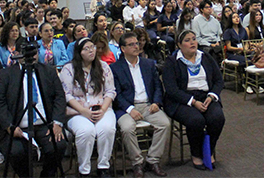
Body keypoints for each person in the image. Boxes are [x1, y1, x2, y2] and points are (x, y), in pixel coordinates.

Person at [0, 41, 67, 178]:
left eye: (35, 52)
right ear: (15, 54)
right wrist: (9, 126)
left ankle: (47, 175)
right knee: (16, 151)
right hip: (17, 126)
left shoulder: (48, 71)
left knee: (58, 145)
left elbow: (60, 97)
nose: (32, 56)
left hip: (45, 123)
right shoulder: (5, 75)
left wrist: (57, 122)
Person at [162, 30, 224, 170]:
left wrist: (212, 95)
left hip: (206, 96)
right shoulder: (172, 62)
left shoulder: (206, 57)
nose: (192, 42)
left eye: (194, 39)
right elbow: (171, 89)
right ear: (179, 44)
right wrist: (193, 102)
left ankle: (209, 150)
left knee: (217, 118)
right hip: (181, 99)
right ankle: (196, 154)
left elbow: (219, 80)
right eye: (187, 40)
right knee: (196, 120)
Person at [110, 33, 170, 178]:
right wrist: (130, 110)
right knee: (127, 128)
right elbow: (116, 93)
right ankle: (137, 163)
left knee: (164, 124)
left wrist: (156, 102)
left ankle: (152, 160)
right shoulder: (115, 68)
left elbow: (157, 86)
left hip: (148, 104)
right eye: (131, 44)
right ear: (123, 48)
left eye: (137, 43)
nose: (136, 46)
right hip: (126, 107)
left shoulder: (148, 64)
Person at [60, 38, 116, 177]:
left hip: (101, 108)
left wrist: (103, 109)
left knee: (107, 129)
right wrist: (83, 111)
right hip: (77, 111)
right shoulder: (69, 69)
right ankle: (84, 170)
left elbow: (110, 91)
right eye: (86, 48)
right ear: (79, 53)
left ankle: (103, 166)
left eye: (92, 47)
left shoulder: (103, 66)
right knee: (86, 131)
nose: (91, 50)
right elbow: (66, 95)